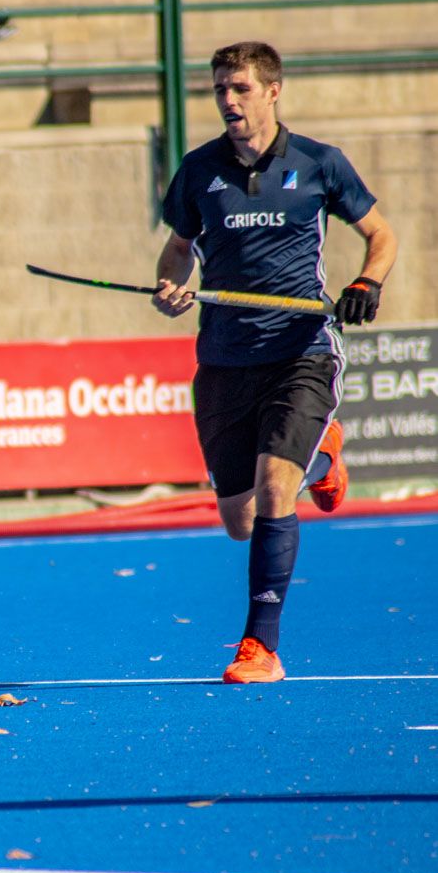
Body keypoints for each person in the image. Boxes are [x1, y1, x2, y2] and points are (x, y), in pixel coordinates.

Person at [152, 41, 397, 684]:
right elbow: (177, 250)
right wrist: (171, 287)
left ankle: (260, 647)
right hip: (224, 358)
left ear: (272, 91)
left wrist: (367, 282)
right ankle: (323, 457)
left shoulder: (319, 162)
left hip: (301, 351)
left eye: (240, 88)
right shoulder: (199, 170)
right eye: (219, 90)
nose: (228, 101)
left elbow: (381, 234)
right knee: (241, 522)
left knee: (273, 490)